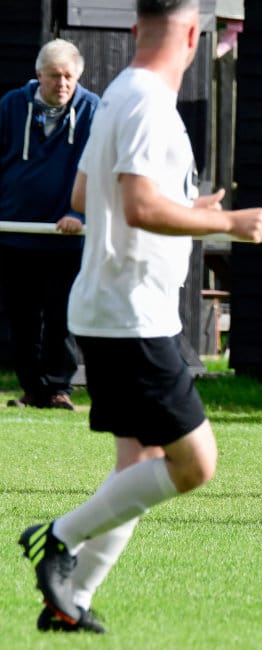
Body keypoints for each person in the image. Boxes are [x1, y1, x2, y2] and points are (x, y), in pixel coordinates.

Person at [17, 0, 262, 633]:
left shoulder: (116, 95)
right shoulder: (146, 103)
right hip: (129, 314)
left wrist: (189, 205)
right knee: (195, 463)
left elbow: (86, 194)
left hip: (118, 307)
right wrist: (228, 221)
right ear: (192, 35)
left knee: (137, 469)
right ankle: (58, 537)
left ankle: (70, 602)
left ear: (137, 29)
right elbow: (137, 206)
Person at [0, 39, 99, 410]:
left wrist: (81, 215)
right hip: (15, 233)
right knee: (21, 317)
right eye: (55, 76)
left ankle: (59, 388)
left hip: (66, 236)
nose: (63, 84)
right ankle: (31, 388)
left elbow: (100, 170)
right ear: (39, 75)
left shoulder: (92, 109)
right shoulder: (12, 105)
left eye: (69, 76)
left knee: (62, 315)